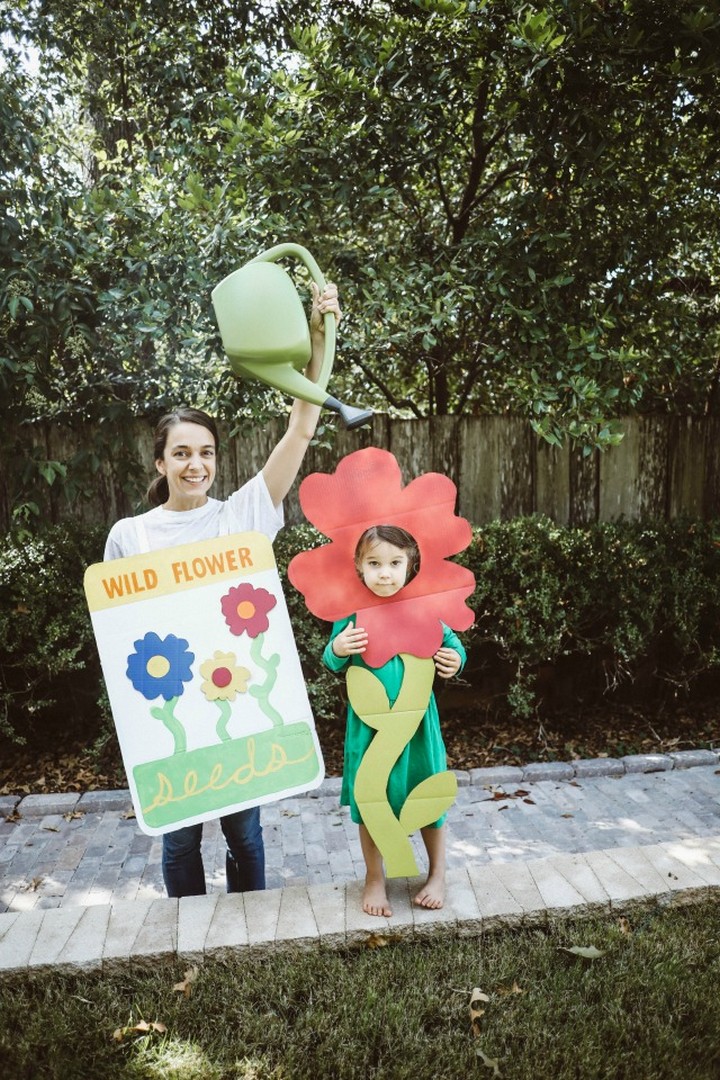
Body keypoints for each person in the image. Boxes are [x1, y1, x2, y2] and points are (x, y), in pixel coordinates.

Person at [104, 280, 341, 898]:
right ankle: (189, 935)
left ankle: (250, 933)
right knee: (180, 841)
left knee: (246, 836)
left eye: (206, 453)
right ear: (160, 463)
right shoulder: (130, 536)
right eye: (182, 454)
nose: (196, 465)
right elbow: (118, 637)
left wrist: (321, 334)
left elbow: (301, 426)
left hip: (233, 703)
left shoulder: (241, 516)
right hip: (172, 715)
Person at [322, 524, 466, 918]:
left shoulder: (423, 608)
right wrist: (338, 648)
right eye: (374, 563)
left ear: (410, 564)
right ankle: (374, 878)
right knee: (372, 798)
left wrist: (455, 660)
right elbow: (331, 659)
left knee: (426, 793)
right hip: (370, 729)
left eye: (394, 563)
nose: (384, 573)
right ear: (359, 565)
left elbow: (453, 644)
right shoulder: (351, 612)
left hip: (416, 726)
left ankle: (437, 875)